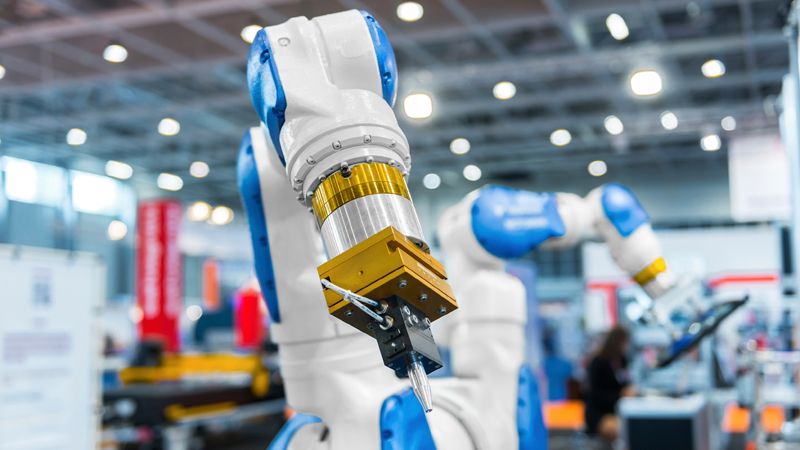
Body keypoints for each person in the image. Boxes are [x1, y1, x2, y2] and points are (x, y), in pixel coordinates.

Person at [584, 325, 635, 442]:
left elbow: (625, 382)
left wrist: (629, 390)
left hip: (619, 410)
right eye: (625, 343)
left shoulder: (623, 360)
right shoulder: (598, 362)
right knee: (623, 430)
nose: (627, 346)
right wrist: (620, 394)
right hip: (599, 412)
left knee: (632, 426)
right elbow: (595, 395)